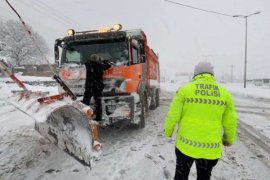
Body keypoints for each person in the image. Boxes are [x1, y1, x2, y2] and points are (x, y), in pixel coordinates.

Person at [164, 62, 237, 180]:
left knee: (181, 176)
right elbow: (230, 121)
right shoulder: (224, 93)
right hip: (210, 149)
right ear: (212, 74)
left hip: (185, 147)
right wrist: (228, 139)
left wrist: (168, 131)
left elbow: (173, 115)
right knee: (204, 177)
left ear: (196, 73)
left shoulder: (185, 89)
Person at [82, 54, 111, 121]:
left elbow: (86, 63)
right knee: (98, 102)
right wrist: (104, 61)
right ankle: (98, 118)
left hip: (89, 86)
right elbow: (108, 66)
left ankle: (83, 115)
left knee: (85, 102)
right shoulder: (99, 66)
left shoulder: (87, 65)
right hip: (97, 87)